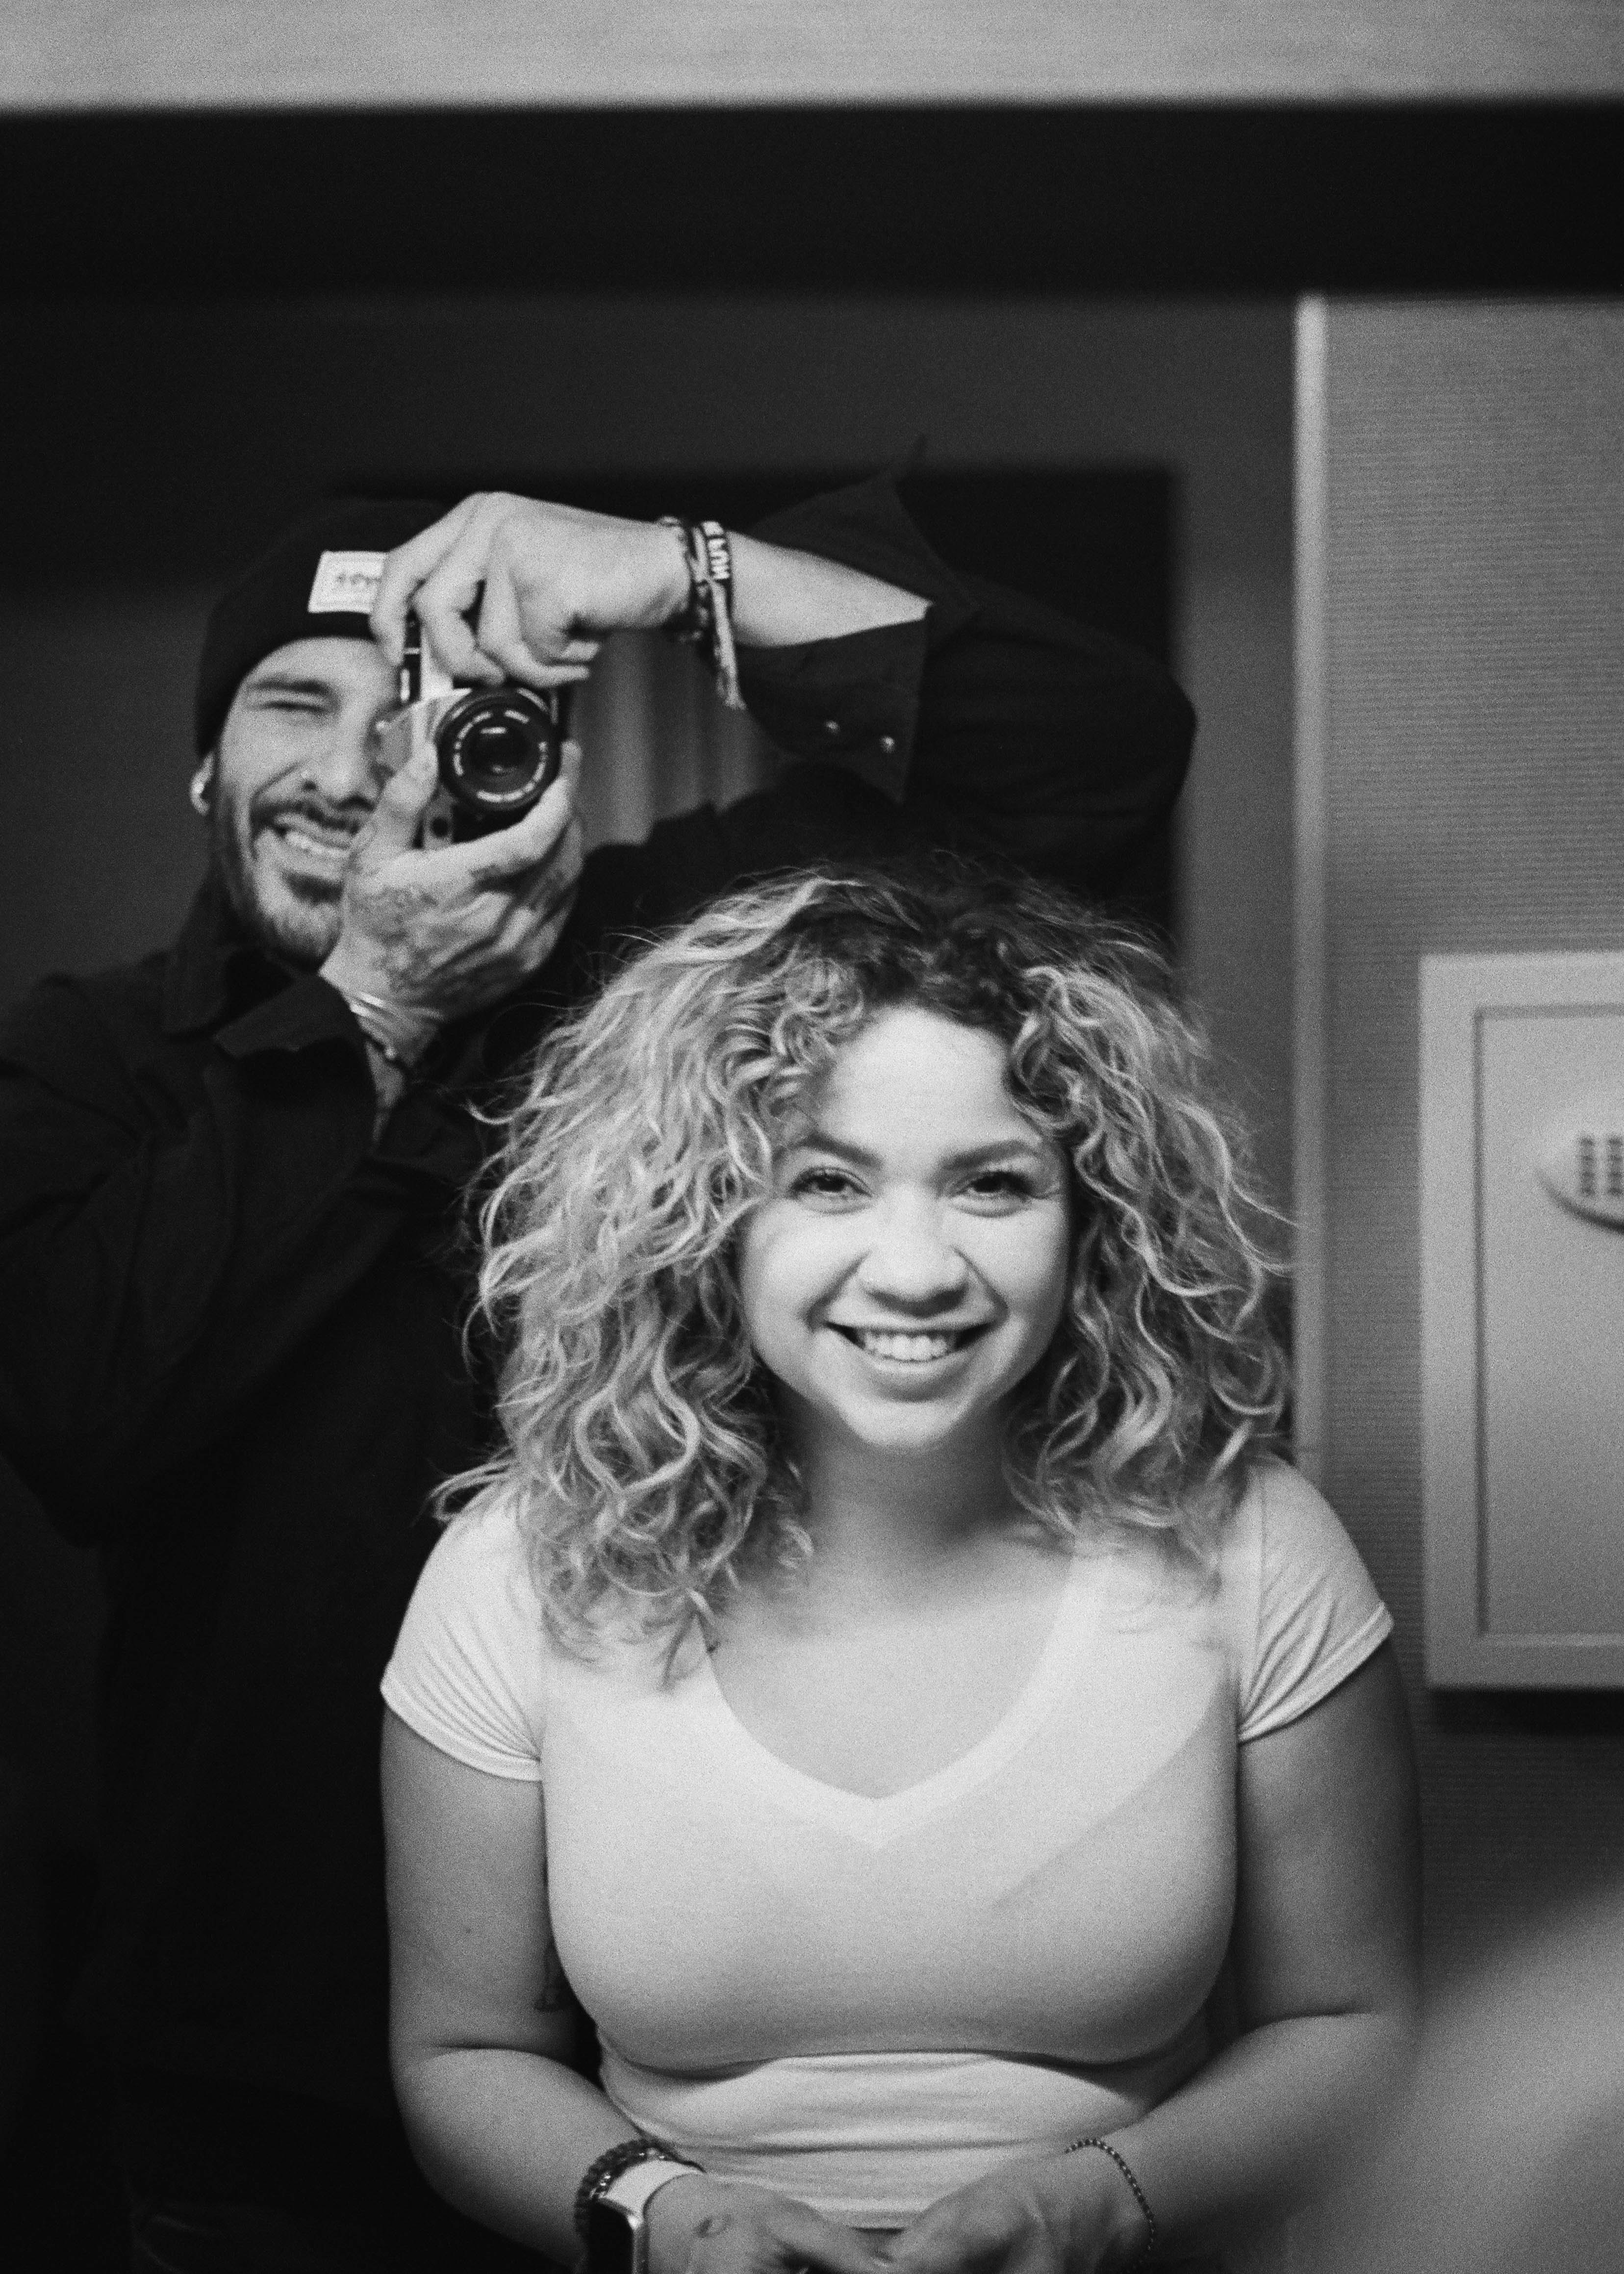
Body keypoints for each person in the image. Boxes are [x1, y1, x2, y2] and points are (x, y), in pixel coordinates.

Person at [0, 478, 1193, 2268]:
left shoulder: (675, 962)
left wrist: (673, 568)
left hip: (701, 2058)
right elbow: (89, 1419)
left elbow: (1098, 758)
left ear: (522, 750)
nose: (361, 764)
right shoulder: (81, 1061)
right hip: (261, 2071)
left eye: (421, 699)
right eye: (295, 703)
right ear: (201, 776)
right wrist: (373, 1015)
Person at [381, 863, 1421, 2274]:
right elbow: (461, 2054)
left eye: (994, 1184)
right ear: (704, 1217)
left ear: (1094, 1219)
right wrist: (666, 2218)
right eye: (828, 1182)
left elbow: (1352, 2029)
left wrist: (1097, 2204)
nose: (917, 1268)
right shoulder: (518, 1568)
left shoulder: (1253, 1542)